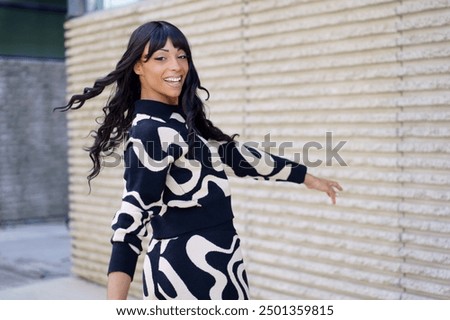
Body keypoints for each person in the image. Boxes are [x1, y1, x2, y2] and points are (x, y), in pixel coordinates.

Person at [60, 21, 343, 300]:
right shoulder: (150, 132)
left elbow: (240, 158)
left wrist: (307, 177)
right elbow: (130, 221)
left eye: (181, 56)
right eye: (161, 58)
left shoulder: (180, 122)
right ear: (138, 66)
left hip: (223, 262)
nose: (176, 66)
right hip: (184, 272)